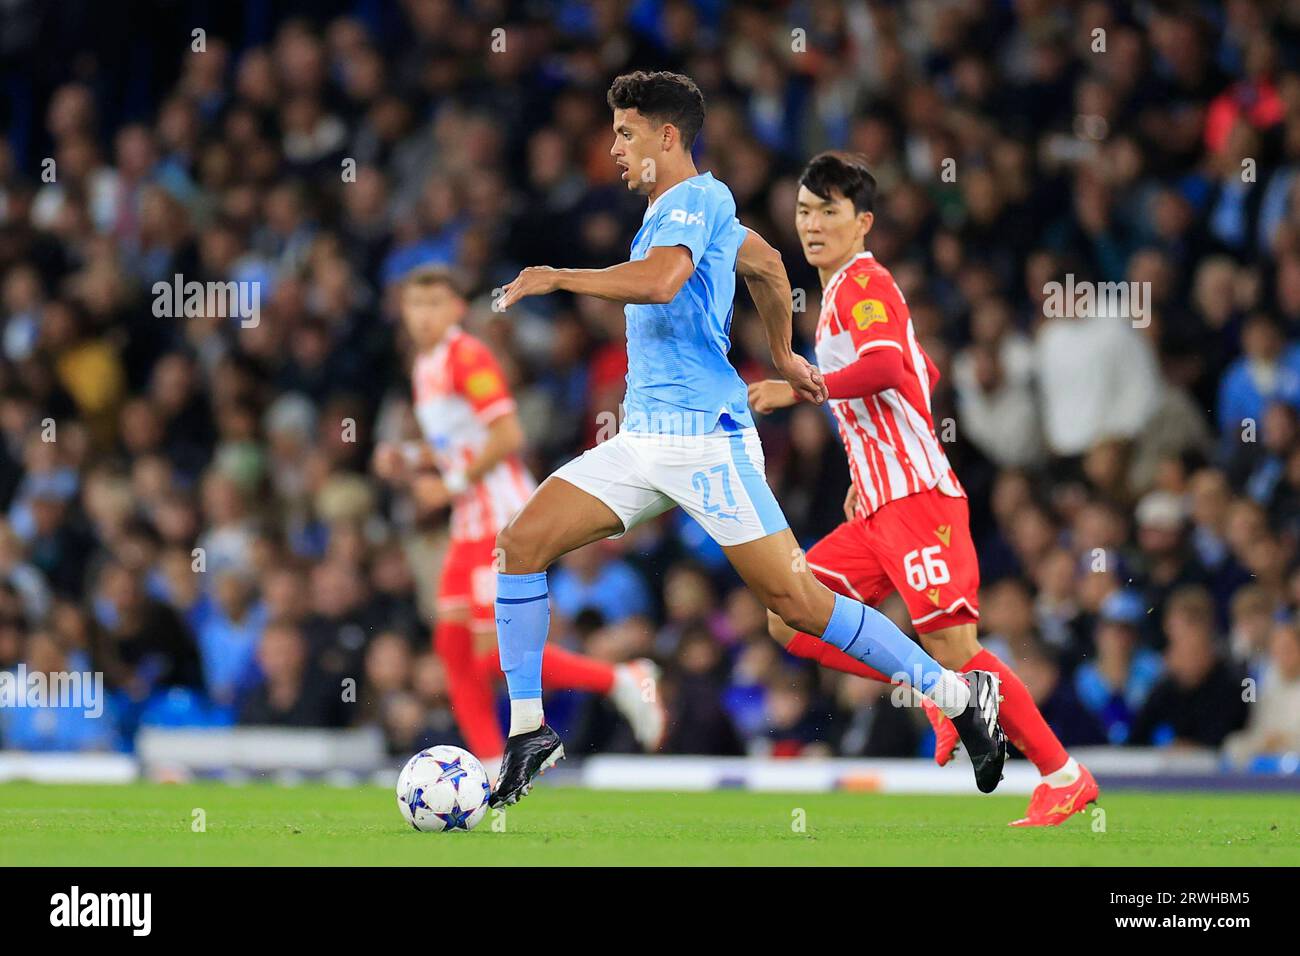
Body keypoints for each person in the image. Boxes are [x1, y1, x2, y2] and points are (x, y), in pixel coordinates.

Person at [489, 71, 1005, 807]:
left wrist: (560, 277)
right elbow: (764, 266)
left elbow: (665, 281)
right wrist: (785, 352)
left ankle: (957, 695)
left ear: (668, 138)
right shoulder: (687, 212)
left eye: (625, 134)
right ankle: (529, 732)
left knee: (799, 604)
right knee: (521, 544)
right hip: (643, 441)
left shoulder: (699, 198)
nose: (613, 149)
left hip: (707, 443)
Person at [748, 151, 1098, 826]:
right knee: (785, 611)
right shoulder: (836, 297)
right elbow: (922, 366)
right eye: (804, 210)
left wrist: (801, 387)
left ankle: (1064, 773)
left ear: (864, 222)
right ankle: (939, 695)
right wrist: (864, 464)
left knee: (959, 650)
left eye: (829, 211)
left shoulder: (861, 283)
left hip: (917, 504)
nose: (813, 223)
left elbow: (885, 364)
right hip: (879, 504)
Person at [372, 267, 665, 767]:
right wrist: (410, 456)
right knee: (452, 648)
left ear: (456, 309)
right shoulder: (425, 366)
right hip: (468, 521)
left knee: (490, 653)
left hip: (500, 515)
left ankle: (622, 678)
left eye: (433, 305)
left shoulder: (467, 356)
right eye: (414, 306)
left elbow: (508, 437)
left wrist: (448, 486)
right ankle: (491, 767)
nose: (422, 317)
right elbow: (461, 443)